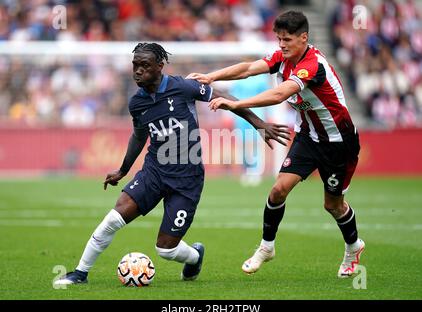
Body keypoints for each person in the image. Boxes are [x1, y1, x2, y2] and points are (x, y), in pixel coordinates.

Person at [54, 42, 290, 285]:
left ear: (159, 66)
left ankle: (195, 256)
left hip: (187, 180)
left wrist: (258, 123)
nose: (137, 71)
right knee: (113, 219)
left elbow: (225, 98)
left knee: (165, 250)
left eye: (144, 65)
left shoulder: (183, 87)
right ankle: (80, 273)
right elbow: (139, 135)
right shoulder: (137, 102)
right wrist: (123, 170)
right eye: (135, 65)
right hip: (153, 173)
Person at [188, 11, 365, 278]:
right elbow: (248, 68)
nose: (281, 45)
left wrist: (236, 104)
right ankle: (266, 247)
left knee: (333, 205)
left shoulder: (312, 65)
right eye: (279, 39)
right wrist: (211, 76)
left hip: (338, 143)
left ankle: (353, 248)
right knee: (278, 189)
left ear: (303, 38)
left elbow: (281, 93)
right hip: (308, 136)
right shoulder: (281, 58)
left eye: (287, 39)